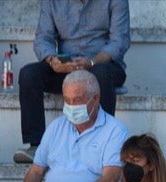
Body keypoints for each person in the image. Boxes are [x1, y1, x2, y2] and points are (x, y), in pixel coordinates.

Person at [13, 0, 130, 163]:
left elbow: (120, 41)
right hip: (66, 68)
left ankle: (102, 145)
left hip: (103, 64)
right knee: (29, 74)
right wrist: (52, 60)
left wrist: (91, 62)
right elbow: (42, 38)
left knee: (101, 73)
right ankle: (36, 147)